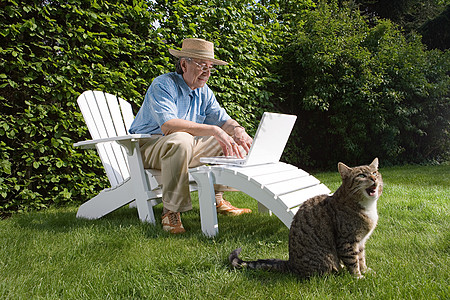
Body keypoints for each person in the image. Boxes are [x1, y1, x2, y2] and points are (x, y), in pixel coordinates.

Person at [129, 38, 253, 234]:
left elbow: (223, 120)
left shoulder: (205, 92)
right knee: (181, 138)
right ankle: (171, 211)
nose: (207, 72)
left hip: (184, 148)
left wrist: (238, 131)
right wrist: (214, 130)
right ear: (184, 64)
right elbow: (169, 125)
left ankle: (217, 199)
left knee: (226, 140)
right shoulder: (163, 84)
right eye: (202, 65)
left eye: (210, 67)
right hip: (148, 149)